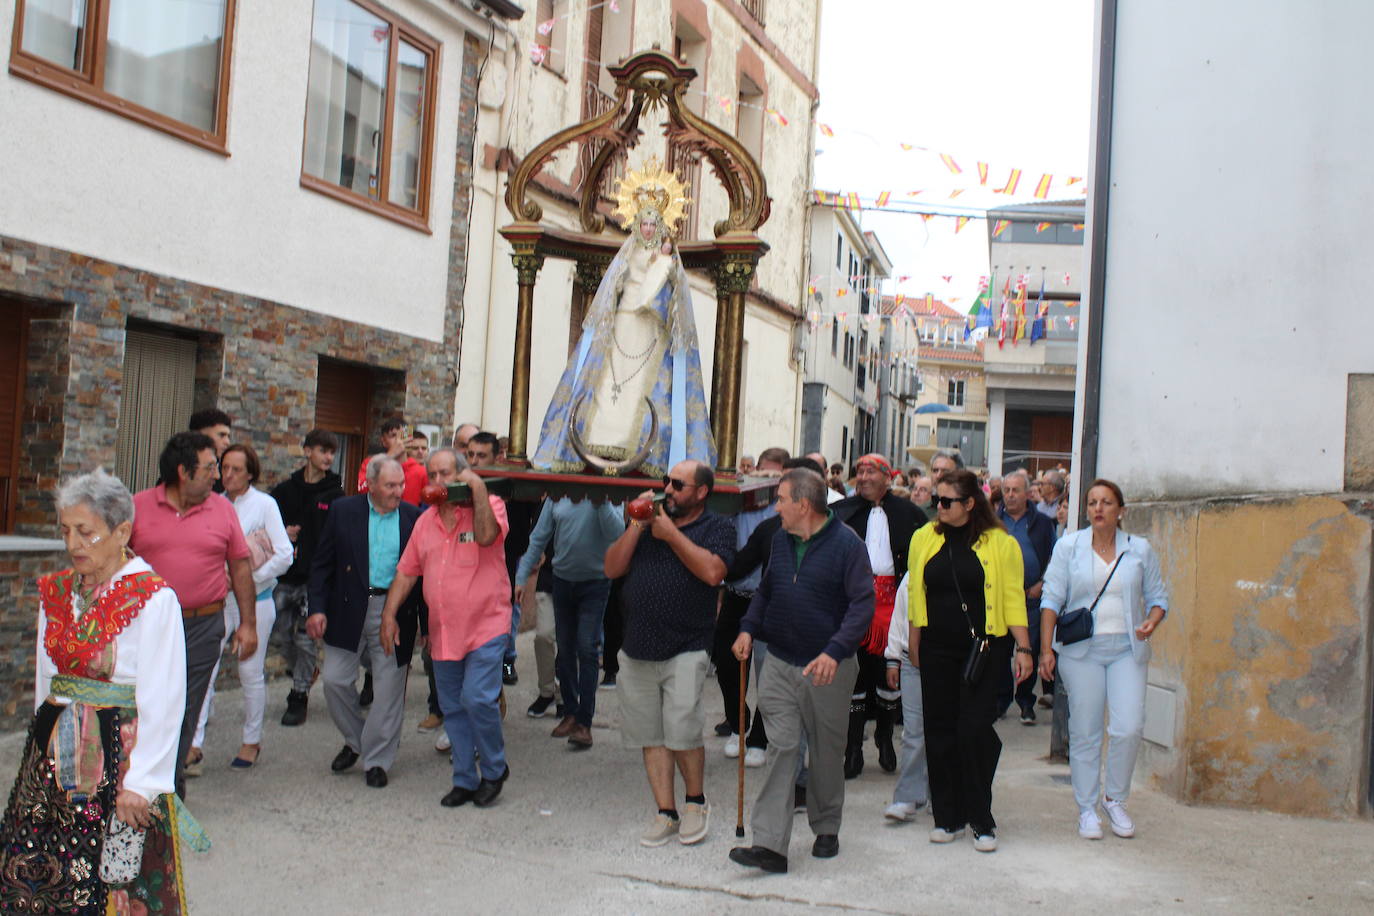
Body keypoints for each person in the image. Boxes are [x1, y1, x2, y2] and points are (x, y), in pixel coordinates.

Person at [0, 470, 196, 914]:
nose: (73, 544)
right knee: (45, 866)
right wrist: (39, 750)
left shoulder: (152, 597)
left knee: (112, 870)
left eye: (85, 532)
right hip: (56, 752)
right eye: (66, 531)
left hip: (118, 755)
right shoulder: (57, 592)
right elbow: (48, 680)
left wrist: (143, 783)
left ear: (122, 531)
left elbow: (164, 698)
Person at [727, 469, 873, 874]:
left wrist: (834, 651)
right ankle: (770, 845)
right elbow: (768, 590)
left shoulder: (848, 546)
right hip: (779, 661)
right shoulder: (779, 540)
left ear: (803, 505)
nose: (776, 507)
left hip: (828, 667)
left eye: (781, 499)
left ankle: (826, 826)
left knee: (826, 751)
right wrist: (748, 629)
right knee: (782, 749)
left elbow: (862, 606)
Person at [532, 157, 715, 475]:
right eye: (643, 223)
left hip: (650, 328)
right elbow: (612, 289)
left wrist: (663, 264)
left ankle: (640, 447)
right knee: (604, 383)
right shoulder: (627, 254)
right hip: (622, 324)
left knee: (644, 390)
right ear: (636, 224)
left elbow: (665, 298)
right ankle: (596, 440)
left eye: (652, 224)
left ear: (660, 226)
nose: (646, 228)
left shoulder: (669, 262)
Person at [603, 459, 735, 847]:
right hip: (637, 645)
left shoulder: (717, 528)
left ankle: (695, 803)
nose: (669, 489)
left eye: (678, 484)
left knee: (682, 730)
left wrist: (671, 535)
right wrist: (637, 526)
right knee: (651, 734)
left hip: (687, 646)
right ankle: (666, 810)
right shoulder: (646, 526)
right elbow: (611, 568)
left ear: (701, 492)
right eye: (666, 482)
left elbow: (713, 574)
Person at [907, 468, 1032, 852]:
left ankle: (981, 818)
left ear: (969, 504)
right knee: (939, 732)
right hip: (936, 649)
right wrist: (914, 641)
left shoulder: (999, 543)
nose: (938, 507)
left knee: (973, 731)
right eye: (936, 501)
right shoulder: (923, 538)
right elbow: (916, 593)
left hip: (984, 650)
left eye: (946, 501)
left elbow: (1012, 597)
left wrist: (1025, 649)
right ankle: (948, 816)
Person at [382, 449, 513, 807]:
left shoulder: (492, 506)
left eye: (446, 474)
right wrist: (389, 614)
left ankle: (494, 769)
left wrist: (479, 492)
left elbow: (487, 537)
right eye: (433, 475)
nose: (438, 482)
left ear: (463, 476)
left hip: (487, 625)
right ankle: (465, 780)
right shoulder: (425, 523)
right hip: (443, 632)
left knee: (478, 698)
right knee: (453, 707)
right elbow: (407, 571)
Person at [1039, 478, 1168, 841]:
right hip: (1082, 652)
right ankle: (1087, 808)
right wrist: (1046, 650)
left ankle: (1115, 799)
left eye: (1107, 502)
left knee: (1128, 727)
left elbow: (1159, 597)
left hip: (1127, 648)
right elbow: (1051, 599)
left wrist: (1151, 621)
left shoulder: (1139, 549)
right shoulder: (1069, 547)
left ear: (1120, 511)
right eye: (1092, 502)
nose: (1098, 508)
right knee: (1085, 731)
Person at [130, 432, 257, 798]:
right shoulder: (138, 507)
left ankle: (170, 788)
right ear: (183, 472)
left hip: (203, 624)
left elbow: (240, 566)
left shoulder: (223, 509)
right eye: (210, 467)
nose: (217, 475)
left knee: (185, 708)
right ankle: (138, 782)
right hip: (148, 628)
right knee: (145, 703)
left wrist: (248, 624)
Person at [308, 456, 425, 788]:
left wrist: (426, 627)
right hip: (347, 608)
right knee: (334, 681)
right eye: (390, 485)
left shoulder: (414, 518)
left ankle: (377, 760)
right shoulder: (344, 512)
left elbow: (424, 576)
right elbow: (322, 564)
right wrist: (316, 608)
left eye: (401, 484)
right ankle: (356, 740)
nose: (398, 491)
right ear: (370, 485)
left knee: (388, 690)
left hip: (395, 611)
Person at [191, 444, 293, 770]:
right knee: (203, 671)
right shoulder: (213, 505)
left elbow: (284, 554)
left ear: (251, 472)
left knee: (249, 671)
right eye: (225, 468)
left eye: (236, 469)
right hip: (218, 600)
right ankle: (193, 743)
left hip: (257, 601)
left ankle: (251, 740)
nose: (228, 475)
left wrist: (251, 579)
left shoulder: (265, 505)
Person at [831, 454, 926, 779]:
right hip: (854, 603)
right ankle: (853, 748)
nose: (864, 477)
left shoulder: (910, 514)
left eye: (871, 471)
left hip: (893, 605)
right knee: (855, 676)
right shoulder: (842, 512)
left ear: (888, 477)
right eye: (859, 471)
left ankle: (884, 737)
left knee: (890, 675)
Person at [515, 494, 624, 749]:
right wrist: (521, 577)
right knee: (565, 652)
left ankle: (584, 722)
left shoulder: (609, 495)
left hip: (596, 582)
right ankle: (571, 713)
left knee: (587, 649)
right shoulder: (558, 494)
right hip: (561, 581)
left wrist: (601, 503)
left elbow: (618, 533)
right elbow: (539, 537)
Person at [712, 446, 787, 765]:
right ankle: (737, 721)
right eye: (760, 471)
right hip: (736, 595)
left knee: (766, 672)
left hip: (770, 601)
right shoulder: (739, 502)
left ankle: (759, 735)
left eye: (771, 474)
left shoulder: (783, 512)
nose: (763, 478)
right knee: (725, 662)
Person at [270, 428, 345, 726]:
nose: (328, 457)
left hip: (315, 580)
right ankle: (304, 671)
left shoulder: (335, 495)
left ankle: (298, 696)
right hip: (284, 576)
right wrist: (282, 532)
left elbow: (339, 537)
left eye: (332, 452)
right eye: (322, 450)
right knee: (278, 634)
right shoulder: (284, 491)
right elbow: (266, 526)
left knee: (304, 639)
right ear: (307, 451)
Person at [996, 471, 1057, 724]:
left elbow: (1055, 557)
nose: (1010, 495)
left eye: (1015, 490)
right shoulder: (992, 521)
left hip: (1031, 598)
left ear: (1027, 493)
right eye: (1006, 490)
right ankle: (1000, 702)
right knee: (999, 654)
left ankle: (1025, 702)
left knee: (1027, 649)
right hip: (999, 599)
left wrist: (1042, 584)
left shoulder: (1042, 522)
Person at [467, 431, 527, 688]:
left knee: (498, 632)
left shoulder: (509, 488)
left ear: (496, 457)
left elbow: (519, 534)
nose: (474, 461)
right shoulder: (458, 485)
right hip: (465, 578)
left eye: (481, 456)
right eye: (470, 454)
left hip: (500, 571)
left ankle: (504, 665)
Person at [882, 571, 928, 823]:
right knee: (913, 730)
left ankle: (939, 794)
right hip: (911, 661)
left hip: (946, 659)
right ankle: (907, 796)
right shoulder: (912, 575)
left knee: (942, 729)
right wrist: (893, 659)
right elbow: (899, 617)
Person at [358, 416, 428, 505]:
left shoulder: (420, 471)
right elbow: (362, 490)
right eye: (393, 436)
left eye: (402, 436)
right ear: (383, 441)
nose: (398, 441)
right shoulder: (370, 463)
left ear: (410, 440)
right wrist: (389, 456)